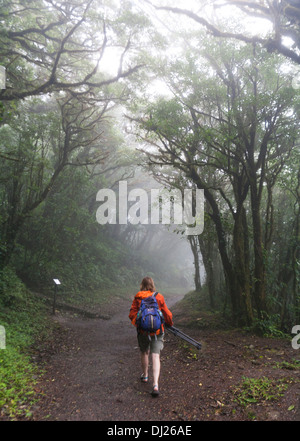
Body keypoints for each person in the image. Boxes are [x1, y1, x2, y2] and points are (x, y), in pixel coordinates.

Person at [129, 276, 173, 397]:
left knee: (144, 352)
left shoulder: (138, 297)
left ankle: (145, 375)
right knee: (155, 355)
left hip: (143, 331)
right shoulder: (159, 297)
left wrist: (137, 323)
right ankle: (155, 384)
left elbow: (132, 314)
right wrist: (169, 323)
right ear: (153, 285)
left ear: (142, 285)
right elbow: (167, 314)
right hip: (157, 331)